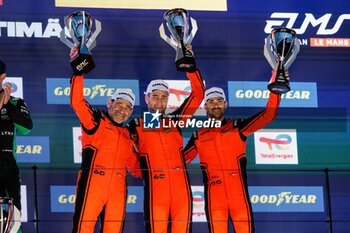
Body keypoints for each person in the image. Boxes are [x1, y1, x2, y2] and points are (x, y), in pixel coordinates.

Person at [183, 70, 284, 233]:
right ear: (205, 106)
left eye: (219, 101)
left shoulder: (238, 127)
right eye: (211, 101)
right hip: (214, 197)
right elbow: (180, 161)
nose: (215, 105)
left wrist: (276, 87)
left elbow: (268, 115)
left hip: (239, 196)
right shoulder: (198, 135)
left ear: (225, 104)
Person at [128, 47, 205, 233]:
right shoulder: (136, 125)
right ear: (147, 98)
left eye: (163, 97)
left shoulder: (176, 120)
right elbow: (124, 152)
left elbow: (198, 95)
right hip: (156, 189)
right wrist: (143, 172)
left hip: (181, 189)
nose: (159, 101)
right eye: (155, 97)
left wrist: (190, 65)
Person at [69, 48, 140, 233]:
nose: (122, 110)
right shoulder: (96, 120)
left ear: (131, 112)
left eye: (127, 108)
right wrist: (78, 72)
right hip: (93, 183)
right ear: (110, 103)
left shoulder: (128, 136)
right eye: (119, 105)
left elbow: (137, 168)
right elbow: (77, 102)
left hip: (118, 189)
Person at [0, 59, 33, 233]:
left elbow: (26, 128)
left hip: (7, 166)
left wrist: (7, 107)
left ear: (3, 77)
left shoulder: (15, 102)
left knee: (13, 221)